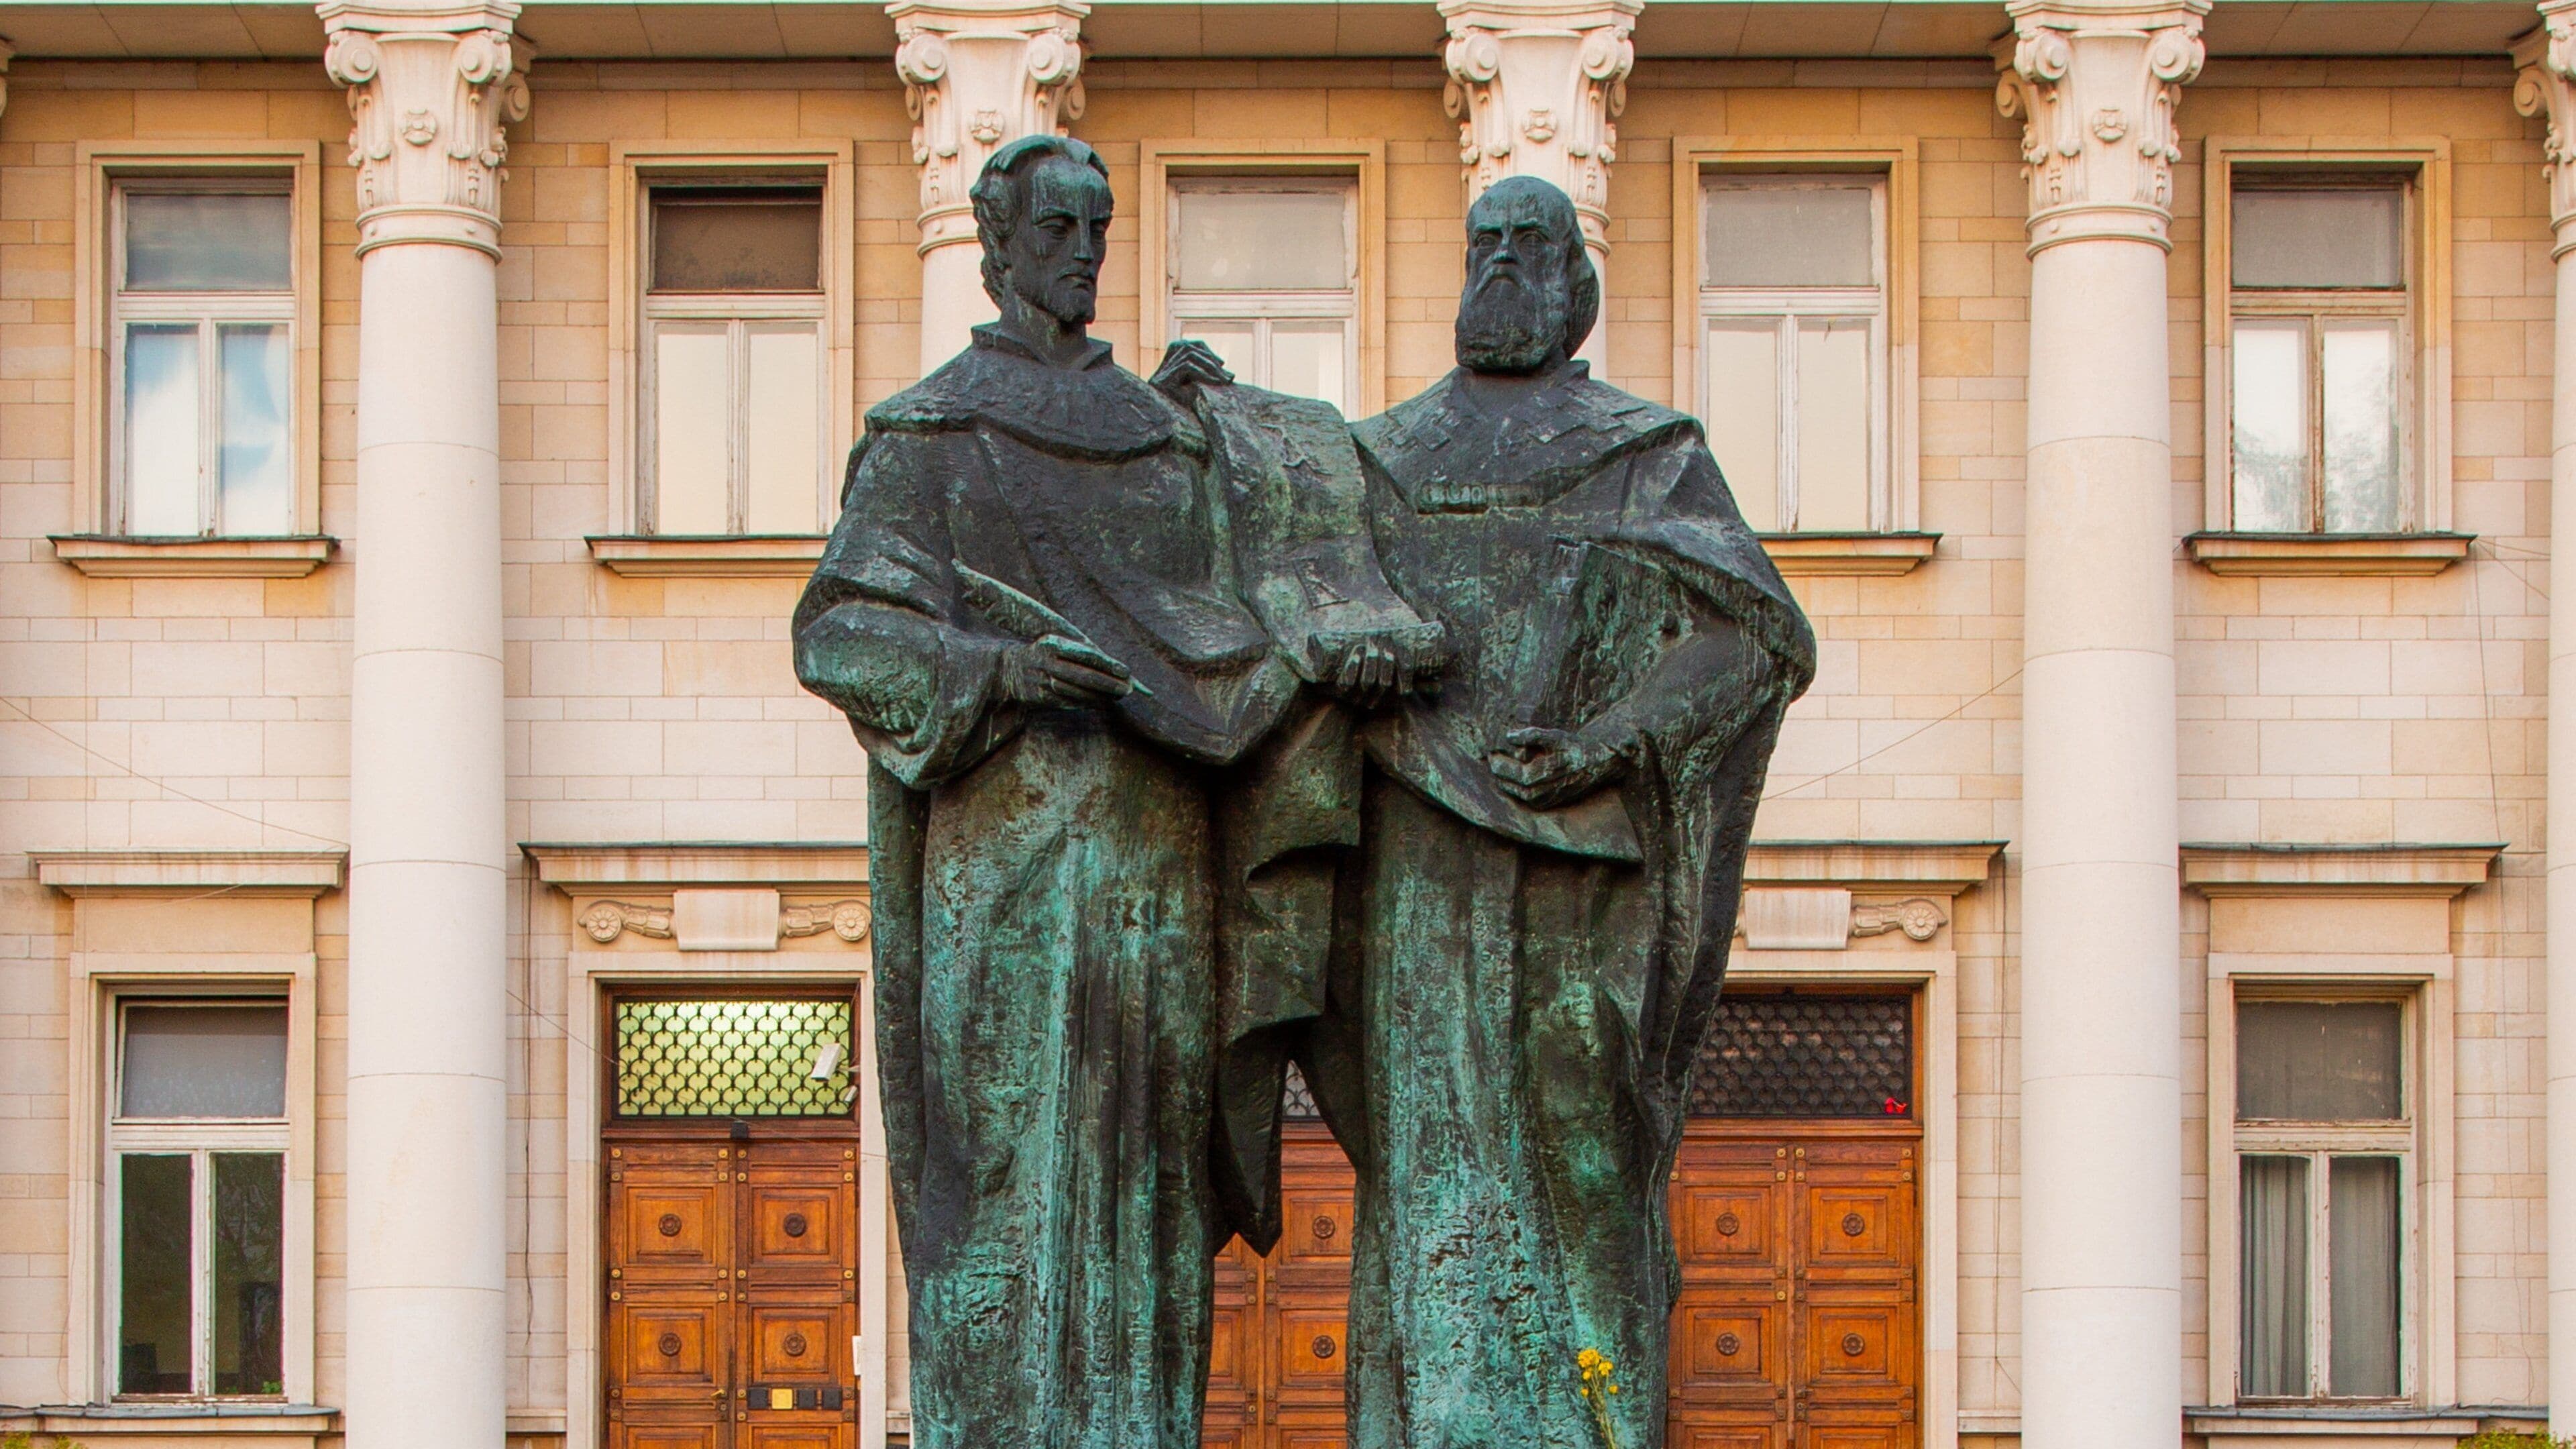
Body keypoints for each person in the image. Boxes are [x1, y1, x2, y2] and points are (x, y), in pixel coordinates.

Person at [791, 133, 1433, 1449]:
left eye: (1099, 226)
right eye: (1057, 228)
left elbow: (1262, 577)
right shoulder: (934, 436)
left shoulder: (1164, 436)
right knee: (1012, 1196)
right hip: (1009, 872)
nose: (1084, 251)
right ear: (1000, 243)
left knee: (1147, 1198)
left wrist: (1231, 435)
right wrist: (1006, 667)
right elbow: (842, 632)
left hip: (1157, 872)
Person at [1303, 175, 1817, 1449]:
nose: (1503, 265)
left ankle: (1589, 1423)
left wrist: (1607, 741)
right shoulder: (1376, 459)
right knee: (1429, 1167)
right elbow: (1296, 600)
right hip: (1416, 862)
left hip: (1587, 864)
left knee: (1591, 1159)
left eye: (1533, 245)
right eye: (1483, 243)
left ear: (1577, 287)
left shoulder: (1648, 455)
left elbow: (1750, 638)